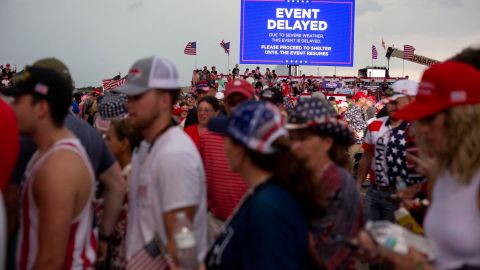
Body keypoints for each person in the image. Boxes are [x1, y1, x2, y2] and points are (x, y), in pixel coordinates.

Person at [1, 66, 97, 269]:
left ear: (41, 108)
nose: (13, 107)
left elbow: (51, 260)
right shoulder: (47, 151)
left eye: (19, 101)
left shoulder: (58, 166)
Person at [114, 56, 207, 265]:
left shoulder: (174, 155)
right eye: (128, 97)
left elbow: (182, 248)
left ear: (164, 100)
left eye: (137, 97)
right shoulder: (146, 146)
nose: (129, 104)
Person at [205, 101, 317, 269]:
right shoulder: (266, 194)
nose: (223, 145)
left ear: (242, 148)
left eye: (227, 138)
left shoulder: (268, 207)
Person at [287, 98, 363, 270]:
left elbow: (333, 252)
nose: (295, 146)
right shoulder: (295, 175)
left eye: (303, 138)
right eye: (292, 139)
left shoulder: (341, 184)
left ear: (327, 142)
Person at [356, 80, 422, 223]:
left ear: (411, 100)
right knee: (369, 233)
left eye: (395, 101)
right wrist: (358, 184)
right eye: (389, 101)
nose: (390, 105)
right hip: (374, 190)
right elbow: (366, 158)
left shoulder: (421, 128)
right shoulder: (375, 125)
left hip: (403, 194)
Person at [103, 118, 142, 269]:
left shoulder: (129, 178)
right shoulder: (121, 173)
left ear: (124, 144)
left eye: (108, 138)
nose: (105, 143)